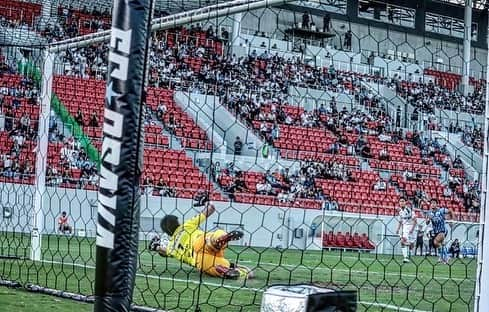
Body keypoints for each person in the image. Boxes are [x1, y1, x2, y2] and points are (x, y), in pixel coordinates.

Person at [150, 201, 253, 279]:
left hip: (199, 259)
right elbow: (210, 209)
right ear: (177, 222)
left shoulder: (171, 247)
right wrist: (206, 202)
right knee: (213, 237)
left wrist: (156, 247)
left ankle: (236, 272)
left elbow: (164, 252)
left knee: (216, 267)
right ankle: (218, 240)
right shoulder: (186, 225)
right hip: (200, 241)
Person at [425, 198, 454, 264]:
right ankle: (444, 257)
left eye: (434, 203)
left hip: (442, 230)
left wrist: (451, 220)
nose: (432, 204)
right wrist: (428, 220)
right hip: (436, 231)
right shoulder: (429, 213)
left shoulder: (441, 210)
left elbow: (450, 211)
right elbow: (426, 223)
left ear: (436, 204)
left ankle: (445, 257)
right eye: (431, 203)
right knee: (442, 244)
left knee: (436, 242)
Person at [396, 197, 417, 263]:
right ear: (399, 203)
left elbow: (415, 220)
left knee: (412, 244)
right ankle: (405, 257)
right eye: (400, 201)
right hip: (405, 228)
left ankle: (409, 255)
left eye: (403, 201)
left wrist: (412, 229)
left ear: (405, 202)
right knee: (402, 242)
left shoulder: (409, 210)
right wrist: (398, 229)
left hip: (412, 227)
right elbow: (400, 221)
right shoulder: (400, 212)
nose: (401, 203)